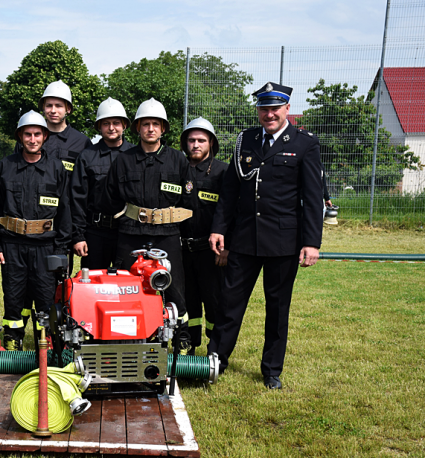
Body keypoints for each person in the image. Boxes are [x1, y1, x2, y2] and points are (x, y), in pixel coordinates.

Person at [207, 82, 323, 390]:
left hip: (283, 242)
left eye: (275, 108)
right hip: (244, 239)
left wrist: (312, 242)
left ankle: (271, 370)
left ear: (287, 109)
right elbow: (230, 191)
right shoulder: (245, 140)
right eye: (263, 108)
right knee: (230, 303)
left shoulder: (304, 144)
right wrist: (219, 229)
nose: (269, 114)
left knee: (277, 308)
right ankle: (216, 359)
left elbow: (312, 198)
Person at [99, 98, 193, 354]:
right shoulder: (123, 161)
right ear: (137, 128)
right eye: (145, 124)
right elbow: (109, 198)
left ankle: (181, 342)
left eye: (156, 124)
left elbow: (188, 201)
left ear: (163, 128)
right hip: (130, 234)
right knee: (127, 287)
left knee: (175, 290)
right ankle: (125, 339)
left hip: (167, 236)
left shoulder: (177, 160)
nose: (151, 129)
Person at [0, 111, 71, 351]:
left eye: (37, 134)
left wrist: (61, 250)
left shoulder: (57, 168)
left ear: (44, 136)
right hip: (12, 246)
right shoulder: (6, 166)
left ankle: (47, 352)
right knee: (13, 300)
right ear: (20, 136)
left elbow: (65, 210)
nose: (32, 139)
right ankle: (13, 348)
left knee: (46, 301)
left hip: (46, 247)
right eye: (27, 134)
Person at [18, 80, 91, 332]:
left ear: (68, 109)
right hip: (34, 226)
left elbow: (83, 190)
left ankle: (56, 332)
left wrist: (76, 231)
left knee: (58, 281)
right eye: (48, 105)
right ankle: (25, 332)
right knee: (27, 285)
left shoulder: (82, 143)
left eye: (59, 105)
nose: (53, 110)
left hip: (65, 225)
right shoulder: (34, 135)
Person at [179, 117, 229, 354]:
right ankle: (188, 345)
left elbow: (231, 212)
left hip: (211, 252)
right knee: (187, 301)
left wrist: (226, 247)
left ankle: (215, 347)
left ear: (211, 143)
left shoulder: (223, 172)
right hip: (182, 250)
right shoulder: (178, 169)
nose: (195, 145)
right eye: (191, 140)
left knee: (214, 301)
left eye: (201, 140)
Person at [72, 97, 133, 269]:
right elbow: (78, 199)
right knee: (94, 286)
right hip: (96, 233)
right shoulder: (86, 156)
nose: (111, 128)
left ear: (124, 125)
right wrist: (78, 236)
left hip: (128, 234)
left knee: (127, 286)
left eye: (116, 123)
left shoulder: (136, 155)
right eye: (106, 123)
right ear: (99, 126)